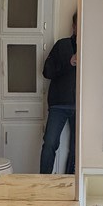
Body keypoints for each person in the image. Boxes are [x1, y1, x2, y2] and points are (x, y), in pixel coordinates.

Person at [40, 12, 77, 174]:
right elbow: (47, 72)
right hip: (58, 105)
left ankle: (71, 181)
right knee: (49, 143)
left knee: (78, 148)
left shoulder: (93, 47)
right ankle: (43, 180)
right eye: (79, 24)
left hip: (82, 106)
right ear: (74, 26)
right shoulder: (62, 45)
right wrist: (68, 62)